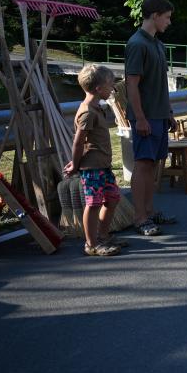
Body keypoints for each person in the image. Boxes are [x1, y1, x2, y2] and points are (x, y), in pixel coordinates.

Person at [125, 0, 177, 236]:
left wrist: (169, 112)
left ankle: (149, 210)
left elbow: (160, 84)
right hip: (145, 116)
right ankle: (140, 217)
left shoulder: (157, 44)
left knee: (153, 164)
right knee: (143, 164)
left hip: (159, 115)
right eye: (166, 17)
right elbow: (131, 84)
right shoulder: (137, 44)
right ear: (155, 16)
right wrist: (140, 118)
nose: (169, 22)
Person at [64, 64, 123, 256]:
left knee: (112, 199)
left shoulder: (96, 108)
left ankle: (103, 235)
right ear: (98, 88)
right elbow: (78, 142)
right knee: (94, 204)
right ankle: (91, 244)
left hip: (103, 166)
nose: (113, 88)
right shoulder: (87, 112)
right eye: (110, 85)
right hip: (92, 168)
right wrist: (75, 164)